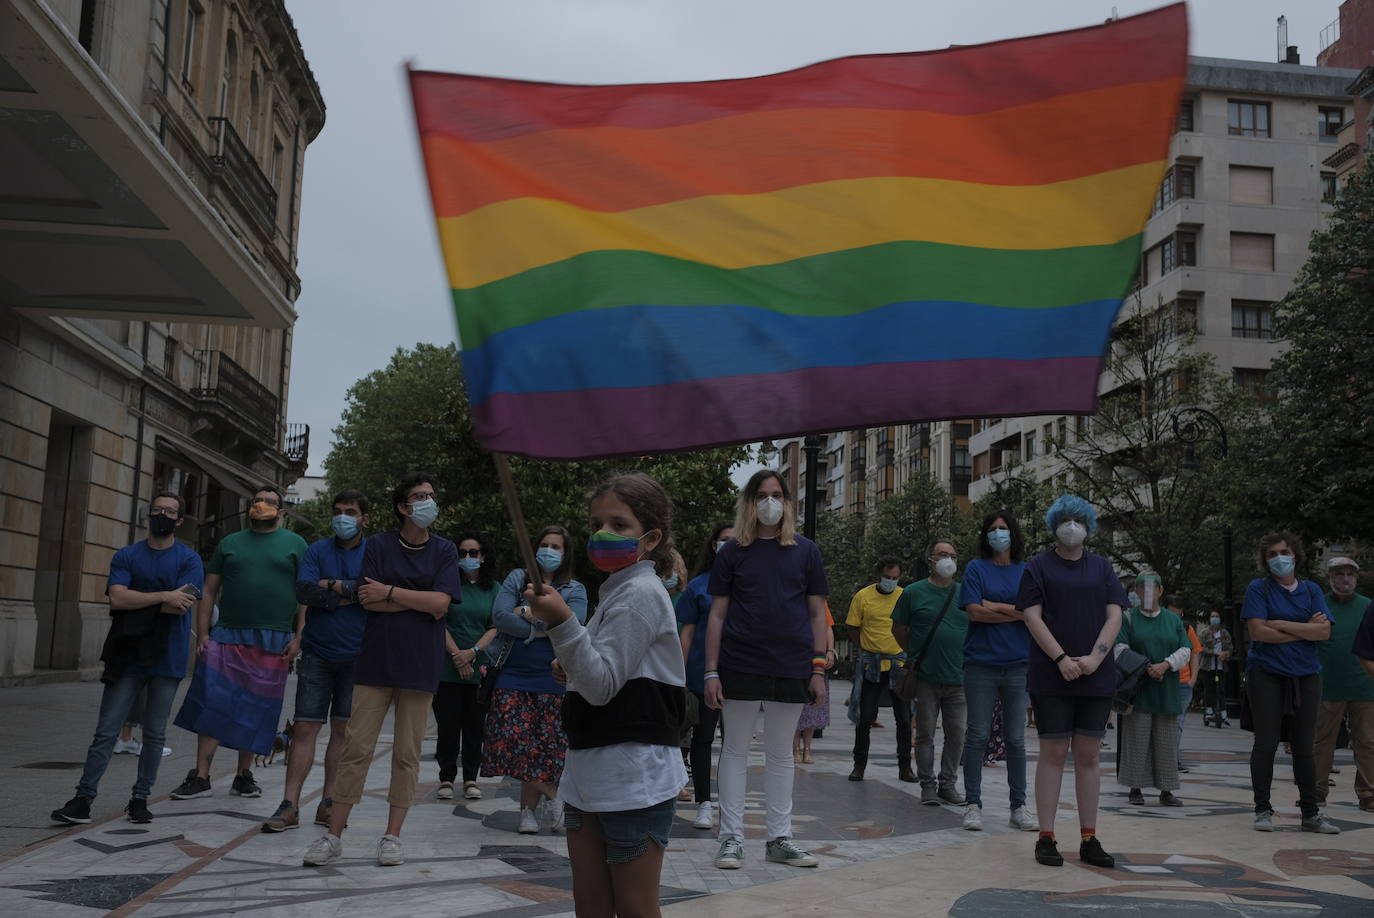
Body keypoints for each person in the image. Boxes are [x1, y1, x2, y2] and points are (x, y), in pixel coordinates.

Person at [525, 472, 687, 918]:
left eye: (620, 525)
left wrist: (561, 622)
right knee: (590, 905)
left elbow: (601, 686)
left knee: (634, 907)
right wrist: (570, 666)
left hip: (632, 778)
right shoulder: (615, 592)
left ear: (650, 538)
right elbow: (601, 672)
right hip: (590, 772)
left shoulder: (639, 594)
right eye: (598, 522)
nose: (604, 533)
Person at [302, 473, 461, 866]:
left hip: (420, 662)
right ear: (403, 507)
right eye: (419, 496)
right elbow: (368, 601)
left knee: (407, 754)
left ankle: (392, 836)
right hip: (376, 660)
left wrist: (392, 592)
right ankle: (333, 835)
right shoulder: (378, 544)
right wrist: (419, 600)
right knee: (356, 748)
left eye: (431, 495)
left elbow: (441, 605)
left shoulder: (445, 550)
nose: (428, 501)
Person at [51, 492, 203, 825]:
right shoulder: (127, 555)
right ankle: (82, 799)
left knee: (154, 733)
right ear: (149, 515)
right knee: (106, 730)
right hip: (127, 655)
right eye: (157, 509)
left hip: (168, 656)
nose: (162, 514)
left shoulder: (189, 560)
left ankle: (140, 799)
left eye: (170, 511)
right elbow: (118, 599)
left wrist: (140, 600)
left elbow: (183, 603)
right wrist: (163, 595)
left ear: (179, 520)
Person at [704, 470, 829, 871]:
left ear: (788, 502)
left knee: (781, 753)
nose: (770, 502)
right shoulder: (732, 553)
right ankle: (731, 839)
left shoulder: (806, 550)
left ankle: (779, 838)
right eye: (762, 495)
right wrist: (710, 671)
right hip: (739, 662)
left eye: (776, 495)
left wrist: (819, 668)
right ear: (749, 502)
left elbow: (817, 613)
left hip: (791, 665)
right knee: (735, 750)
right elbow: (717, 615)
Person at [172, 486, 307, 801]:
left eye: (270, 502)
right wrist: (203, 633)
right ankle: (201, 776)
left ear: (282, 511)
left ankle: (243, 775)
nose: (263, 505)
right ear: (249, 507)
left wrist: (300, 636)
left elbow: (306, 595)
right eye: (258, 501)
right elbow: (209, 588)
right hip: (227, 633)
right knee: (213, 700)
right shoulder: (230, 543)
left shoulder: (297, 545)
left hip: (274, 637)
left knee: (256, 706)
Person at [1018, 494, 1123, 870]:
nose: (1072, 525)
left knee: (1089, 756)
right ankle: (1046, 837)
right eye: (1065, 518)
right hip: (1051, 673)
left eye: (1079, 519)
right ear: (1054, 524)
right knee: (1053, 753)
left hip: (1096, 673)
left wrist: (1095, 657)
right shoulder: (1037, 566)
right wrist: (1061, 658)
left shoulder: (1103, 567)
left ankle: (1089, 837)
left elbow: (1114, 616)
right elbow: (1032, 617)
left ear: (1089, 525)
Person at [261, 490, 370, 833]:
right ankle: (289, 805)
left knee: (342, 732)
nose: (343, 517)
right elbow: (304, 592)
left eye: (350, 512)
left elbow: (372, 589)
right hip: (317, 653)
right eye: (338, 511)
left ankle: (328, 803)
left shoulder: (375, 551)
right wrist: (348, 594)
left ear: (364, 518)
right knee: (306, 728)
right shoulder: (317, 549)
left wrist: (332, 587)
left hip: (360, 655)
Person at [483, 525, 588, 834]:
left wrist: (527, 614)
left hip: (554, 677)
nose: (549, 551)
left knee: (548, 749)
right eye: (544, 544)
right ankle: (555, 797)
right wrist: (543, 625)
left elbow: (574, 623)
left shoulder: (576, 588)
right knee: (511, 744)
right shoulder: (518, 578)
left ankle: (528, 812)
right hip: (513, 675)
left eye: (556, 546)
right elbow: (500, 616)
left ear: (565, 553)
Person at [1242, 532, 1340, 834]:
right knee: (1266, 743)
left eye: (1283, 551)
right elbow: (1258, 632)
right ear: (1265, 560)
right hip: (1266, 675)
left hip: (1306, 675)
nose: (1279, 558)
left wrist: (1281, 624)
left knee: (1304, 747)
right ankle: (1262, 809)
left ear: (1295, 555)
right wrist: (1305, 629)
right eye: (1271, 554)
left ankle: (1310, 813)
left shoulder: (1311, 589)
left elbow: (1324, 633)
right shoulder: (1258, 589)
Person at [959, 509, 1038, 832]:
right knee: (977, 735)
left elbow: (1033, 614)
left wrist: (994, 604)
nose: (998, 533)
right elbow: (975, 613)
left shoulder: (1027, 571)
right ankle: (973, 804)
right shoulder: (976, 568)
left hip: (1018, 664)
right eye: (992, 529)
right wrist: (1014, 611)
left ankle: (1018, 806)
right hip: (980, 664)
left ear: (1013, 533)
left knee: (1016, 740)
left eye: (1003, 528)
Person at [892, 541, 967, 807]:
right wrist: (913, 654)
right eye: (943, 554)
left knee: (957, 734)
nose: (948, 559)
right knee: (925, 734)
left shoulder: (964, 592)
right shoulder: (913, 592)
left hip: (958, 678)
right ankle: (928, 786)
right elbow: (898, 629)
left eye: (953, 555)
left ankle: (948, 784)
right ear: (931, 560)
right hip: (925, 677)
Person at [676, 521, 733, 831]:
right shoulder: (699, 586)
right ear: (714, 545)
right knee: (703, 740)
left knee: (734, 744)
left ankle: (730, 804)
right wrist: (680, 676)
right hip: (701, 677)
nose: (730, 544)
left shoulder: (751, 584)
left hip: (740, 678)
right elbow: (686, 634)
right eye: (725, 540)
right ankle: (703, 803)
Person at [435, 531, 500, 802]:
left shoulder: (495, 588)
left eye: (473, 553)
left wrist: (472, 653)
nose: (468, 558)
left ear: (483, 556)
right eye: (462, 553)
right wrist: (456, 655)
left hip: (480, 670)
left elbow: (496, 625)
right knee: (447, 726)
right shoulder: (447, 585)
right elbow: (439, 621)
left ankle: (471, 779)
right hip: (447, 668)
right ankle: (446, 778)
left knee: (475, 728)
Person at [1116, 573, 1191, 807]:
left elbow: (1185, 650)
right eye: (1142, 588)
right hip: (1138, 689)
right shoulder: (1128, 618)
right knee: (1136, 740)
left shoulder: (1173, 619)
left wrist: (1165, 665)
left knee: (1166, 741)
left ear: (1160, 590)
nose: (1147, 592)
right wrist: (1144, 666)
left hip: (1167, 688)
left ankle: (1166, 790)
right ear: (1136, 592)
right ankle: (1135, 787)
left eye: (1151, 588)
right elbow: (1119, 648)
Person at [1314, 557, 1373, 812]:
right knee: (1321, 741)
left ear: (1356, 579)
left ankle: (1369, 794)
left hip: (1365, 686)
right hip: (1327, 686)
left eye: (1350, 574)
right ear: (1330, 578)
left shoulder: (1368, 606)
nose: (1345, 579)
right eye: (1339, 574)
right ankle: (1315, 792)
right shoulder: (1318, 606)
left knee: (1368, 742)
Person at [847, 558, 914, 783]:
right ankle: (859, 766)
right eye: (888, 577)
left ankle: (905, 768)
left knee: (904, 719)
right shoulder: (863, 596)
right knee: (864, 717)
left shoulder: (905, 596)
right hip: (872, 665)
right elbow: (852, 626)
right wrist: (865, 647)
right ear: (879, 574)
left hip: (899, 665)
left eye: (895, 578)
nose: (891, 582)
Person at [1163, 594, 1203, 771]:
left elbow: (1195, 653)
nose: (1175, 618)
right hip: (1162, 681)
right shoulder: (1159, 625)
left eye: (1177, 614)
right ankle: (1163, 759)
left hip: (1183, 683)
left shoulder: (1186, 628)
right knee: (1161, 722)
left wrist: (1193, 679)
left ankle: (1171, 759)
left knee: (1177, 723)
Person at [794, 602, 835, 764]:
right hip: (796, 658)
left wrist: (830, 651)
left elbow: (827, 626)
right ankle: (795, 748)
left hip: (816, 661)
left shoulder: (819, 601)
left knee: (814, 705)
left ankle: (807, 749)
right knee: (796, 704)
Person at [1196, 611, 1234, 727]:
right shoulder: (1204, 633)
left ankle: (1223, 713)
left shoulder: (1224, 634)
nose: (1215, 618)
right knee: (1209, 689)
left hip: (1221, 666)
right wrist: (1214, 652)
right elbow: (1200, 648)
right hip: (1208, 666)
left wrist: (1225, 654)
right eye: (1213, 616)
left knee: (1221, 689)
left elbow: (1230, 648)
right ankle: (1208, 711)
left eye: (1217, 616)